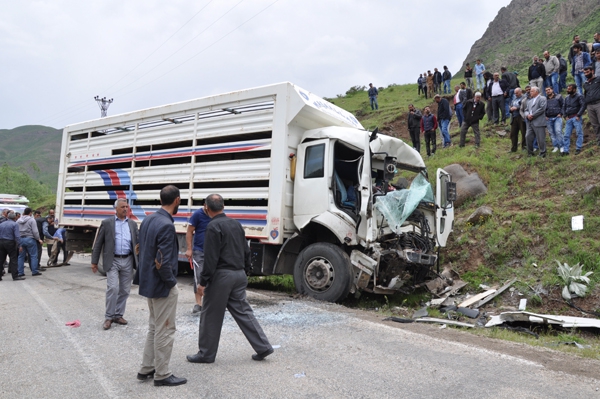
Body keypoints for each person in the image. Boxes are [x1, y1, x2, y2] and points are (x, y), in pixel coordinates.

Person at [186, 194, 273, 364]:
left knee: (210, 314)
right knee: (244, 312)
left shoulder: (213, 227)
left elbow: (210, 258)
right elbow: (247, 251)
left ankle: (206, 354)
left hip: (221, 276)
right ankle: (263, 346)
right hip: (238, 274)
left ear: (206, 208)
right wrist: (245, 271)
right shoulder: (236, 224)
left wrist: (202, 282)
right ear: (223, 207)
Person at [134, 185, 186, 387]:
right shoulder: (166, 224)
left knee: (154, 327)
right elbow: (162, 261)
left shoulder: (148, 219)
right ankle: (162, 374)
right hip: (162, 285)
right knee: (165, 329)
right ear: (177, 200)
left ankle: (146, 368)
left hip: (149, 282)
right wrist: (171, 282)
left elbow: (141, 250)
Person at [91, 198, 139, 330]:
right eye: (123, 207)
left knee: (125, 289)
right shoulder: (107, 223)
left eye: (127, 207)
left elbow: (138, 242)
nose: (125, 209)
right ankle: (108, 316)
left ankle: (118, 315)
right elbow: (98, 243)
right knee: (113, 288)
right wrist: (94, 262)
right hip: (113, 260)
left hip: (128, 259)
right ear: (116, 209)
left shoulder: (132, 224)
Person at [185, 203, 212, 314]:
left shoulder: (216, 214)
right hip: (199, 251)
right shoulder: (197, 214)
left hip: (213, 252)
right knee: (199, 276)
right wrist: (189, 249)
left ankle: (210, 302)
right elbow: (189, 231)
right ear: (205, 205)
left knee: (213, 277)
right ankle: (198, 303)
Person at [17, 207, 43, 277]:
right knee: (33, 256)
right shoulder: (32, 220)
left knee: (21, 256)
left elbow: (16, 230)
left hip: (20, 239)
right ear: (30, 213)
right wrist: (38, 239)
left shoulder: (18, 220)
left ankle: (20, 272)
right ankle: (34, 271)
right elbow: (35, 231)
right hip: (30, 239)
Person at [562, 84, 586, 155]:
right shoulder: (566, 98)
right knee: (566, 135)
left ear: (574, 89)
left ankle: (578, 148)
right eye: (567, 89)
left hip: (576, 117)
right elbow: (563, 107)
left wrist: (578, 115)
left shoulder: (579, 96)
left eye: (569, 89)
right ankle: (566, 150)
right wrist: (565, 115)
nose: (568, 90)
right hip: (569, 118)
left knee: (579, 133)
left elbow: (583, 105)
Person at [0, 212, 24, 281]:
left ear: (7, 217)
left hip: (1, 242)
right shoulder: (14, 224)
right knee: (13, 259)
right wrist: (20, 245)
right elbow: (17, 236)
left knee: (1, 259)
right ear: (15, 218)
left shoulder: (1, 224)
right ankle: (15, 276)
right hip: (10, 242)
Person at [525, 87, 548, 157]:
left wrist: (532, 115)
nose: (530, 92)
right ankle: (530, 152)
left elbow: (542, 108)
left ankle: (543, 152)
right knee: (528, 136)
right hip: (530, 122)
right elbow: (526, 110)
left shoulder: (542, 98)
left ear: (536, 92)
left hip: (539, 121)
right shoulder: (529, 101)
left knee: (540, 138)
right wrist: (527, 115)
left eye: (532, 91)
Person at [583, 65, 600, 146]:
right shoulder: (585, 84)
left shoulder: (598, 79)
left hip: (598, 103)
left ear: (592, 71)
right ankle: (599, 140)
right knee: (595, 124)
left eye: (587, 72)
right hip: (589, 106)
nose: (586, 73)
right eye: (585, 72)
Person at [544, 87, 564, 153]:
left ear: (552, 90)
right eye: (546, 90)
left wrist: (561, 113)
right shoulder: (544, 99)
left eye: (549, 90)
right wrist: (545, 115)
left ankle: (562, 146)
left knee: (558, 131)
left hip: (557, 117)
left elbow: (563, 105)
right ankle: (555, 146)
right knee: (551, 133)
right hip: (548, 118)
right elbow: (542, 108)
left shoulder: (559, 96)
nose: (548, 91)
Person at [509, 88, 527, 152]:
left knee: (523, 132)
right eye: (515, 93)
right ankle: (514, 148)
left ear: (520, 92)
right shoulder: (514, 99)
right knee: (513, 133)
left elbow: (525, 107)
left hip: (521, 117)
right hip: (514, 117)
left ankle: (524, 147)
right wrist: (511, 109)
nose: (515, 94)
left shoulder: (524, 98)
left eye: (517, 93)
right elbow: (510, 105)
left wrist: (516, 108)